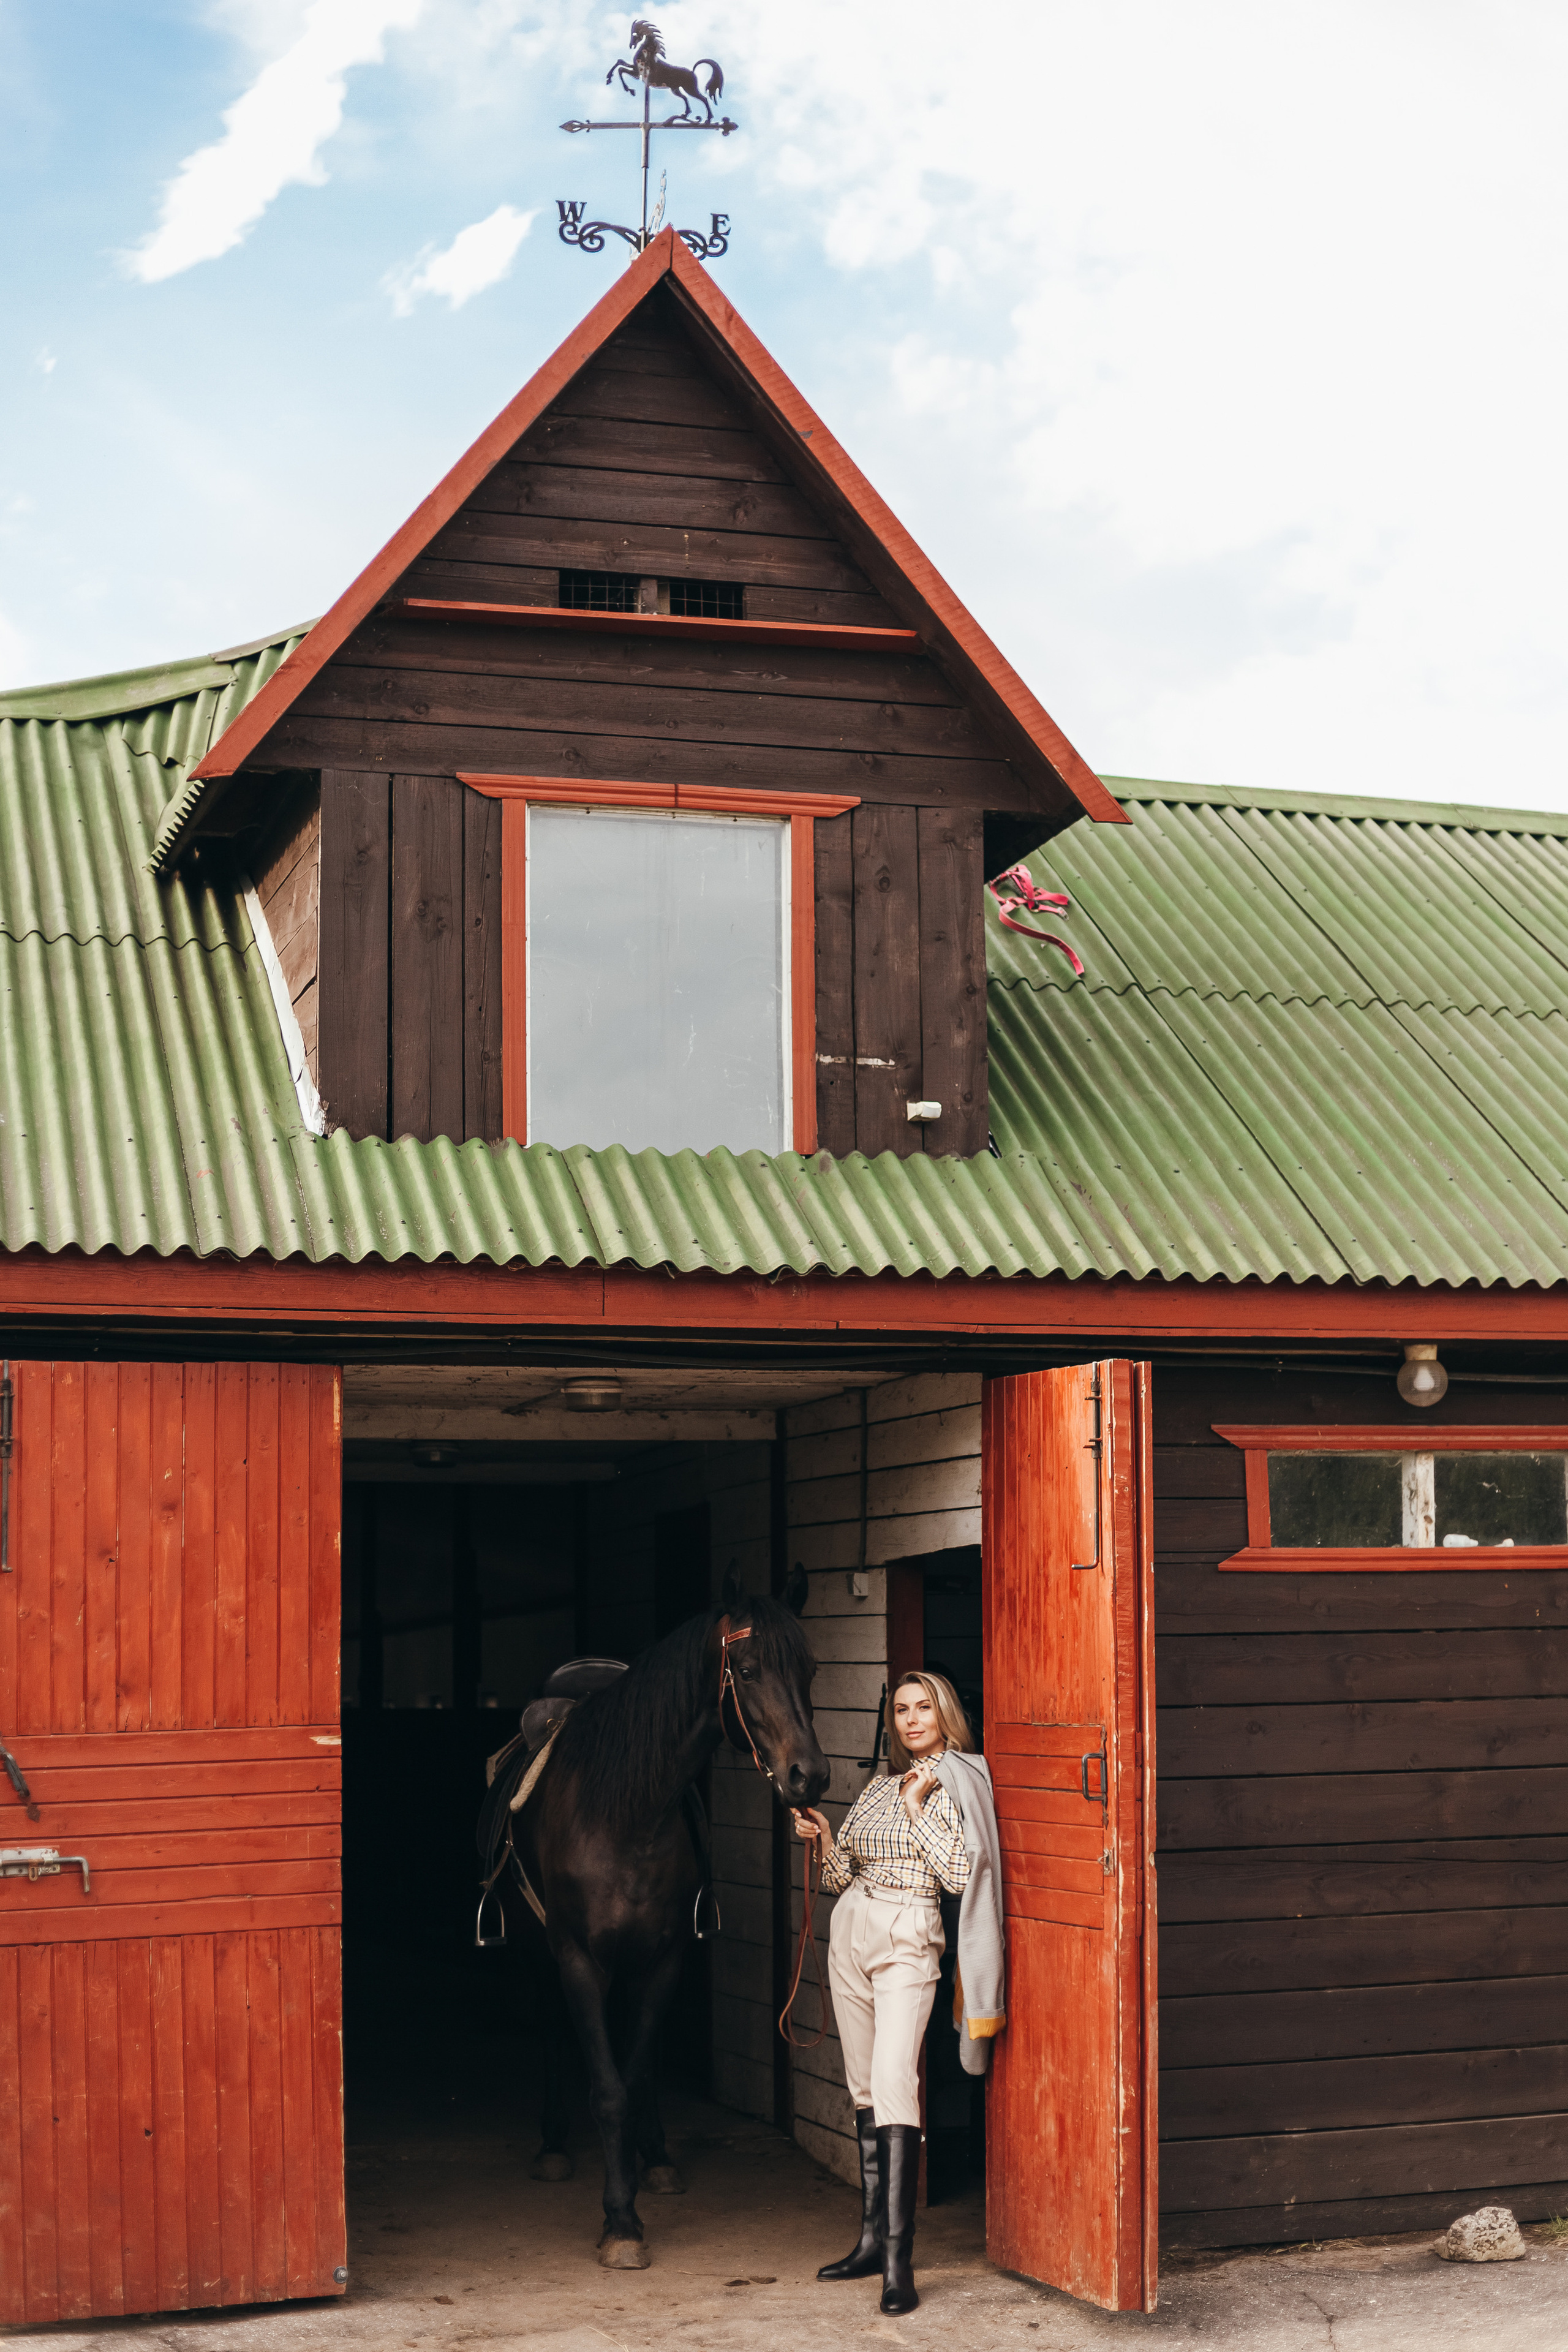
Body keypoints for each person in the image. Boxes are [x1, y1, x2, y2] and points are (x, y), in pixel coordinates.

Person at [792, 1670, 974, 2316]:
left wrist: (918, 1809)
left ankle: (899, 2260)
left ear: (944, 1713)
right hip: (854, 1927)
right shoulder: (877, 1785)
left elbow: (958, 1874)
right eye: (901, 1710)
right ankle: (870, 2241)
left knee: (896, 2078)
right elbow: (846, 1874)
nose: (911, 1719)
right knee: (863, 2086)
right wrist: (822, 1839)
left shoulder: (954, 1783)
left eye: (924, 1707)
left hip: (908, 1932)